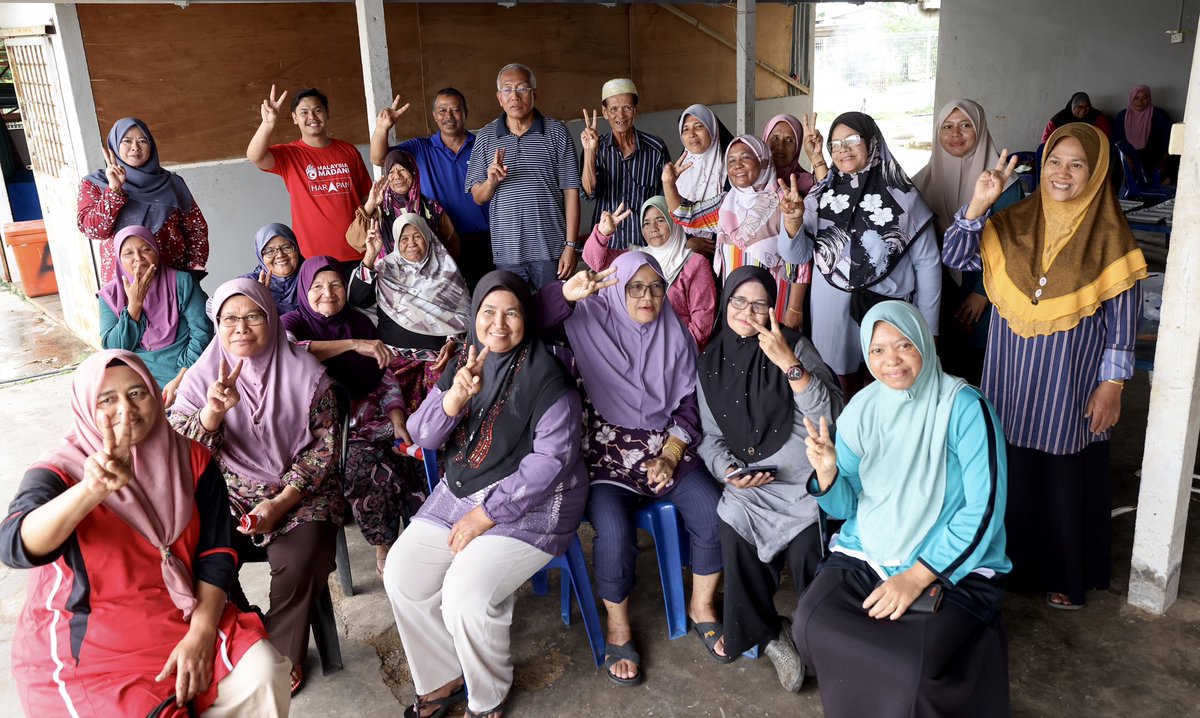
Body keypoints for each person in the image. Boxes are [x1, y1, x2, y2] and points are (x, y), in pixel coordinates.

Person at [2, 350, 290, 717]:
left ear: (156, 395)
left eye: (137, 393)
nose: (126, 409)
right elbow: (14, 545)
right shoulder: (62, 470)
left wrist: (200, 636)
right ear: (86, 406)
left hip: (182, 615)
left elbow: (216, 554)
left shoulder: (192, 460)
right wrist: (91, 491)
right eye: (107, 399)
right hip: (94, 644)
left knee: (263, 673)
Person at [943, 124, 1147, 609]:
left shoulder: (1111, 239)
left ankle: (1064, 573)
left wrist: (1112, 384)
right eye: (1055, 161)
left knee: (1061, 474)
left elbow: (1122, 322)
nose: (1063, 173)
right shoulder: (1013, 221)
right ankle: (1006, 564)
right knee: (1010, 468)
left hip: (1068, 381)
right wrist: (979, 204)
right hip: (1010, 376)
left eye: (1078, 164)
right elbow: (953, 253)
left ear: (1096, 173)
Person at [384, 270, 587, 718]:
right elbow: (423, 434)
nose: (498, 323)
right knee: (402, 572)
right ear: (475, 315)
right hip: (464, 489)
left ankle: (488, 693)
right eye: (488, 312)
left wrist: (485, 515)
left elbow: (548, 465)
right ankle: (444, 676)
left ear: (526, 317)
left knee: (465, 594)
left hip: (535, 502)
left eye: (511, 312)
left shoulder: (549, 379)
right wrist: (453, 399)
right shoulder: (466, 362)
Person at [794, 301, 1011, 717]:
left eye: (904, 345)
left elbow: (984, 510)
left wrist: (915, 577)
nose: (890, 360)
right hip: (869, 549)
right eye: (877, 350)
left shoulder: (964, 407)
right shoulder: (863, 408)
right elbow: (846, 505)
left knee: (909, 663)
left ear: (925, 345)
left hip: (946, 561)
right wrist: (828, 475)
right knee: (810, 623)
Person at [537, 253, 725, 685]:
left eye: (656, 287)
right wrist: (568, 292)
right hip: (607, 451)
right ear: (617, 289)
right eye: (635, 287)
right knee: (614, 531)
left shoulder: (674, 333)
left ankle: (701, 607)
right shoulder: (589, 320)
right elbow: (534, 314)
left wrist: (673, 454)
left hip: (665, 446)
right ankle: (618, 625)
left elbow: (688, 404)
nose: (647, 296)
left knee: (713, 512)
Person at [169, 278, 342, 693]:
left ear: (272, 318)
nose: (240, 327)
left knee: (302, 557)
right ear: (217, 324)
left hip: (300, 494)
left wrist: (282, 502)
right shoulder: (201, 377)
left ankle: (282, 654)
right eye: (229, 318)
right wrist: (211, 415)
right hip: (227, 495)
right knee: (190, 546)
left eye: (253, 316)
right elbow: (179, 454)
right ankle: (244, 629)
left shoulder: (308, 376)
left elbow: (324, 450)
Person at [695, 266, 842, 693]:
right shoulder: (710, 361)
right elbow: (710, 437)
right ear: (725, 304)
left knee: (809, 553)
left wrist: (790, 366)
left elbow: (830, 416)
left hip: (802, 484)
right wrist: (726, 471)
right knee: (733, 529)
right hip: (752, 488)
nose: (747, 311)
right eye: (739, 301)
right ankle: (770, 634)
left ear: (772, 309)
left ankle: (822, 639)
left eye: (760, 303)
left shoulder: (795, 346)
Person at [283, 256, 426, 576]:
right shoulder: (292, 322)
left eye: (335, 284)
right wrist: (351, 345)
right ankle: (384, 543)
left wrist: (398, 418)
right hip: (327, 429)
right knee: (366, 468)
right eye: (317, 286)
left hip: (372, 417)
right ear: (304, 289)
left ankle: (421, 539)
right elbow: (290, 352)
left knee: (417, 454)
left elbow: (385, 377)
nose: (327, 293)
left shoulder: (361, 322)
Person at [780, 112, 940, 401]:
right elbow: (799, 254)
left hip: (889, 312)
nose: (843, 149)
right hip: (833, 317)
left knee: (890, 386)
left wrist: (929, 327)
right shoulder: (820, 196)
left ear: (872, 142)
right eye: (836, 143)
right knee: (838, 391)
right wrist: (792, 223)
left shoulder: (903, 197)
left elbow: (927, 264)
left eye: (853, 140)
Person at [914, 99, 1023, 384]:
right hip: (936, 294)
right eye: (947, 126)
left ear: (981, 129)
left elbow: (1013, 248)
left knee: (981, 370)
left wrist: (982, 293)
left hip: (986, 294)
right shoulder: (920, 183)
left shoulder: (1007, 186)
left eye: (966, 126)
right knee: (939, 368)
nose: (955, 134)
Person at [665, 134, 811, 330]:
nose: (737, 165)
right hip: (736, 305)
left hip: (774, 302)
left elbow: (800, 262)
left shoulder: (785, 201)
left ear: (761, 159)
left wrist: (794, 309)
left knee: (773, 353)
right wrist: (668, 183)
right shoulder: (726, 203)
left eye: (745, 157)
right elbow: (685, 214)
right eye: (731, 160)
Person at [465, 63, 581, 290]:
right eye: (507, 89)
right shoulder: (486, 137)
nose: (514, 96)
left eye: (522, 88)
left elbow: (571, 193)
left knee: (552, 316)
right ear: (499, 98)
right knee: (514, 317)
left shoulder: (557, 132)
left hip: (550, 249)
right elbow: (478, 197)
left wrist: (570, 246)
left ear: (535, 94)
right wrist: (491, 181)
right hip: (507, 252)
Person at [349, 212, 468, 426]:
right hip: (393, 360)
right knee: (384, 416)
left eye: (417, 236)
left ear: (428, 238)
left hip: (437, 361)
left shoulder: (447, 271)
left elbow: (463, 316)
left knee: (442, 417)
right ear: (396, 242)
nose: (411, 243)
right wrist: (370, 256)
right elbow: (357, 299)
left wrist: (452, 342)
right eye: (404, 238)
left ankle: (432, 449)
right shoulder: (384, 269)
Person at [370, 88, 492, 287]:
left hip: (483, 241)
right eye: (442, 111)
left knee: (486, 297)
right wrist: (383, 128)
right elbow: (378, 158)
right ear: (434, 116)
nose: (449, 116)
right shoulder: (421, 147)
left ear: (466, 113)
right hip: (440, 243)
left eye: (455, 110)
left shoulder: (481, 146)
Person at [246, 86, 372, 267]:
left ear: (327, 113)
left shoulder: (349, 151)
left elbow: (366, 198)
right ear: (295, 119)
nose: (312, 117)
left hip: (358, 251)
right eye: (304, 112)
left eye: (317, 110)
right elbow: (255, 156)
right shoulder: (290, 154)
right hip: (313, 256)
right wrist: (267, 124)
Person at [79, 117, 209, 283]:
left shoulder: (172, 184)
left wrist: (194, 266)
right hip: (123, 282)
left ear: (151, 146)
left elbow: (196, 228)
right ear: (115, 145)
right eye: (127, 141)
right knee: (129, 311)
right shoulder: (96, 183)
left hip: (172, 279)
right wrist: (114, 190)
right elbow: (94, 231)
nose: (135, 147)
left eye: (142, 141)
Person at [99, 226, 213, 404]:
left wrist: (183, 377)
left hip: (188, 372)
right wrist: (134, 305)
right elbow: (115, 347)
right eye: (128, 253)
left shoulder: (182, 282)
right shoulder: (110, 295)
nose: (138, 258)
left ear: (156, 250)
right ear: (119, 260)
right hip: (139, 380)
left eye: (145, 249)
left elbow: (203, 331)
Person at [583, 196, 717, 347]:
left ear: (674, 220)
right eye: (646, 223)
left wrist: (676, 353)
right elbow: (596, 263)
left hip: (677, 351)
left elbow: (702, 322)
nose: (653, 228)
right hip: (635, 346)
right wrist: (603, 233)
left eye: (660, 220)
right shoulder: (635, 257)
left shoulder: (694, 263)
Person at [580, 78, 669, 250]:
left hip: (647, 244)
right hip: (607, 244)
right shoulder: (596, 148)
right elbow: (589, 193)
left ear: (635, 110)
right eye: (613, 109)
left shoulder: (655, 147)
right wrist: (590, 151)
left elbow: (666, 198)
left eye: (627, 108)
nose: (620, 115)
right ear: (605, 112)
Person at [346, 149, 461, 260]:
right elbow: (354, 240)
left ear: (413, 171)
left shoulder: (432, 207)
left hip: (428, 276)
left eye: (402, 169)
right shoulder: (378, 211)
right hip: (390, 276)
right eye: (391, 172)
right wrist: (370, 204)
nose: (397, 176)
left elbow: (452, 243)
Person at [673, 104, 733, 257]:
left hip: (721, 253)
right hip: (680, 256)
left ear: (712, 129)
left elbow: (730, 215)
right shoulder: (675, 173)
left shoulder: (732, 169)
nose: (691, 134)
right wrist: (686, 243)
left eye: (699, 126)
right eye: (685, 129)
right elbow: (664, 217)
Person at [1112, 84, 1177, 185]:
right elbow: (1115, 140)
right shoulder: (1122, 116)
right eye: (1136, 98)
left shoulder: (1159, 115)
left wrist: (1164, 158)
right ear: (1131, 99)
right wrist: (1124, 158)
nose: (1140, 102)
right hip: (1129, 158)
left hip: (1154, 158)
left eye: (1144, 98)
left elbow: (1169, 138)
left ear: (1149, 98)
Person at [240, 223, 305, 315]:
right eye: (270, 251)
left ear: (296, 248)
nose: (280, 255)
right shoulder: (249, 284)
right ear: (260, 256)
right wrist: (255, 300)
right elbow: (213, 308)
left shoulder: (313, 277)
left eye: (286, 247)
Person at [762, 114, 815, 199]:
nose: (780, 146)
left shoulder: (809, 184)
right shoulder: (750, 178)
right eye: (775, 138)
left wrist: (816, 156)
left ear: (797, 147)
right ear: (765, 140)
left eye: (789, 140)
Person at [1042, 91, 1111, 144]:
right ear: (1072, 107)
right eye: (1079, 107)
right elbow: (1046, 138)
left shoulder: (1097, 117)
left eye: (1087, 106)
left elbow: (1104, 138)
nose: (1083, 110)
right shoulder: (1060, 118)